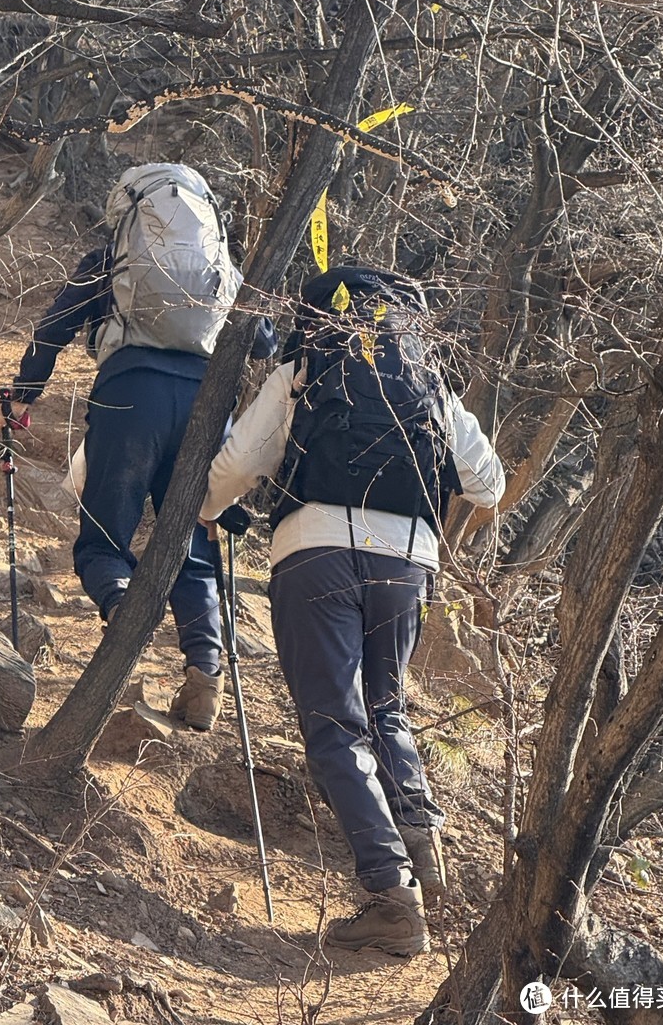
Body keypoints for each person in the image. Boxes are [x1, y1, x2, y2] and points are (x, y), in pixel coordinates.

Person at [199, 266, 505, 956]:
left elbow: (235, 465)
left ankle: (393, 898)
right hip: (408, 559)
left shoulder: (306, 369)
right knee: (386, 709)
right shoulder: (430, 384)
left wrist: (204, 512)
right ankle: (423, 856)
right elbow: (490, 483)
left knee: (337, 724)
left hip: (316, 551)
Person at [0, 162, 276, 732]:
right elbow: (263, 340)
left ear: (124, 210)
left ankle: (122, 610)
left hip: (128, 395)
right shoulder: (221, 269)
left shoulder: (112, 259)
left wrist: (23, 397)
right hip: (205, 406)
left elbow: (55, 326)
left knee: (103, 540)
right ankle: (205, 676)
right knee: (191, 534)